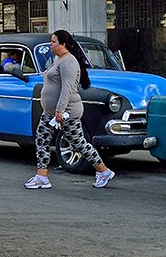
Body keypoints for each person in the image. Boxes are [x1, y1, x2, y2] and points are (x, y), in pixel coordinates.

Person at [25, 29, 114, 190]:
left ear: (63, 44)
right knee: (42, 139)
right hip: (51, 113)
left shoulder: (68, 62)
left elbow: (67, 87)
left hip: (66, 112)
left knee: (78, 143)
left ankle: (103, 171)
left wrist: (60, 110)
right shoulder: (59, 60)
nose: (50, 45)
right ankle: (42, 176)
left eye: (53, 42)